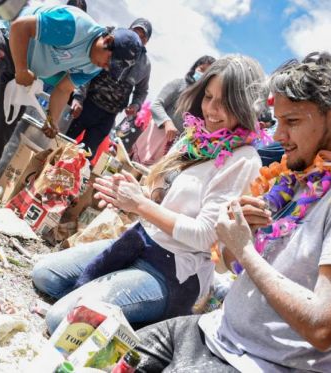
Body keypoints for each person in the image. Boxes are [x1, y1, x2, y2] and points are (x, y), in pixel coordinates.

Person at [134, 51, 331, 373]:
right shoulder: (294, 176)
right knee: (100, 348)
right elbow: (229, 263)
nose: (278, 136)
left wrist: (244, 250)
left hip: (261, 365)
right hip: (212, 332)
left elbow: (324, 326)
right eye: (277, 121)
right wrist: (234, 235)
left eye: (291, 121)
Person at [32, 55, 268, 333]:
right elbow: (159, 198)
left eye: (224, 102)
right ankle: (123, 305)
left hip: (173, 272)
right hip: (139, 243)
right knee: (45, 275)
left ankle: (149, 319)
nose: (211, 110)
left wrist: (141, 205)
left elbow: (205, 236)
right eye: (207, 97)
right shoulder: (194, 137)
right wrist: (130, 196)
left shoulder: (243, 159)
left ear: (243, 103)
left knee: (60, 320)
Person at [0, 4, 143, 178]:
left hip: (26, 68)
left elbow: (64, 88)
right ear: (108, 41)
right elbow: (20, 26)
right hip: (8, 41)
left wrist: (52, 119)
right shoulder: (74, 27)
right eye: (109, 62)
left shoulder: (93, 66)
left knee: (6, 117)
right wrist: (20, 69)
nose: (106, 68)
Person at [65, 18, 152, 156]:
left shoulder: (145, 65)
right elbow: (87, 71)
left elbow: (142, 91)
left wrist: (135, 105)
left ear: (146, 42)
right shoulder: (111, 47)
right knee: (63, 143)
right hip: (86, 105)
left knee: (85, 155)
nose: (138, 38)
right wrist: (78, 97)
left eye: (143, 37)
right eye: (135, 32)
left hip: (108, 115)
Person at [131, 55, 215, 166]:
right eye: (201, 69)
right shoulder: (179, 84)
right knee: (135, 170)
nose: (202, 74)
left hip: (175, 149)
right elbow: (156, 105)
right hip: (156, 138)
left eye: (207, 73)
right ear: (195, 68)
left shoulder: (204, 100)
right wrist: (167, 122)